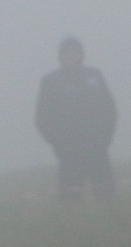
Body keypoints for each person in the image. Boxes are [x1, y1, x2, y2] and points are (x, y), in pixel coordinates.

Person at [35, 36, 117, 200]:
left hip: (96, 146)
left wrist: (105, 137)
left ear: (81, 54)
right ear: (60, 56)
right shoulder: (50, 82)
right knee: (71, 195)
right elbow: (42, 116)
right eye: (67, 53)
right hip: (68, 149)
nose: (71, 57)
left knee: (105, 193)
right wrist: (57, 142)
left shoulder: (94, 75)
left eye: (75, 52)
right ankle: (74, 223)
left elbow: (109, 109)